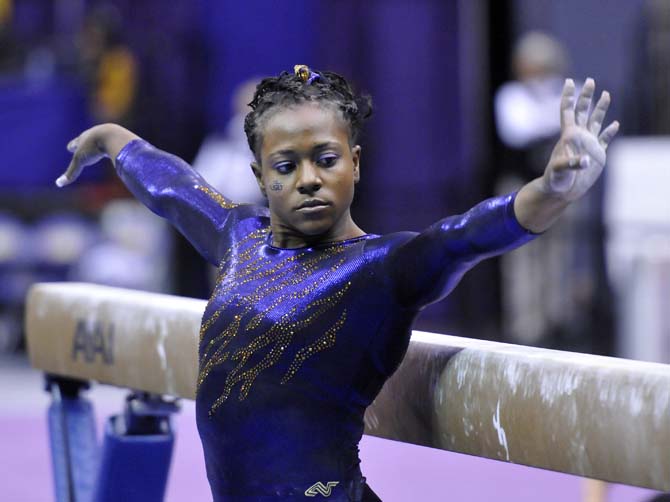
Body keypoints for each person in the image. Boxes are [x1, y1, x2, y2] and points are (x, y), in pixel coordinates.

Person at [56, 66, 618, 501]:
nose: (308, 180)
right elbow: (172, 188)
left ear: (354, 162)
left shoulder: (383, 267)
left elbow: (464, 236)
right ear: (259, 175)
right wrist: (111, 138)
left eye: (325, 159)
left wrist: (553, 189)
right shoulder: (238, 237)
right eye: (285, 165)